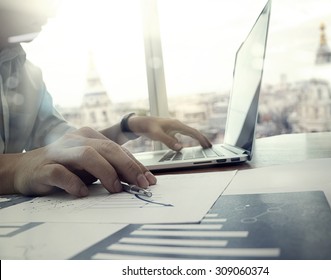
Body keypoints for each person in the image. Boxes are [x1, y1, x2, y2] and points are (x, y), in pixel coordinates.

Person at [0, 0, 212, 197]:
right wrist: (20, 167)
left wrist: (128, 127)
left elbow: (67, 148)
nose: (53, 11)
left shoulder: (27, 76)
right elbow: (33, 162)